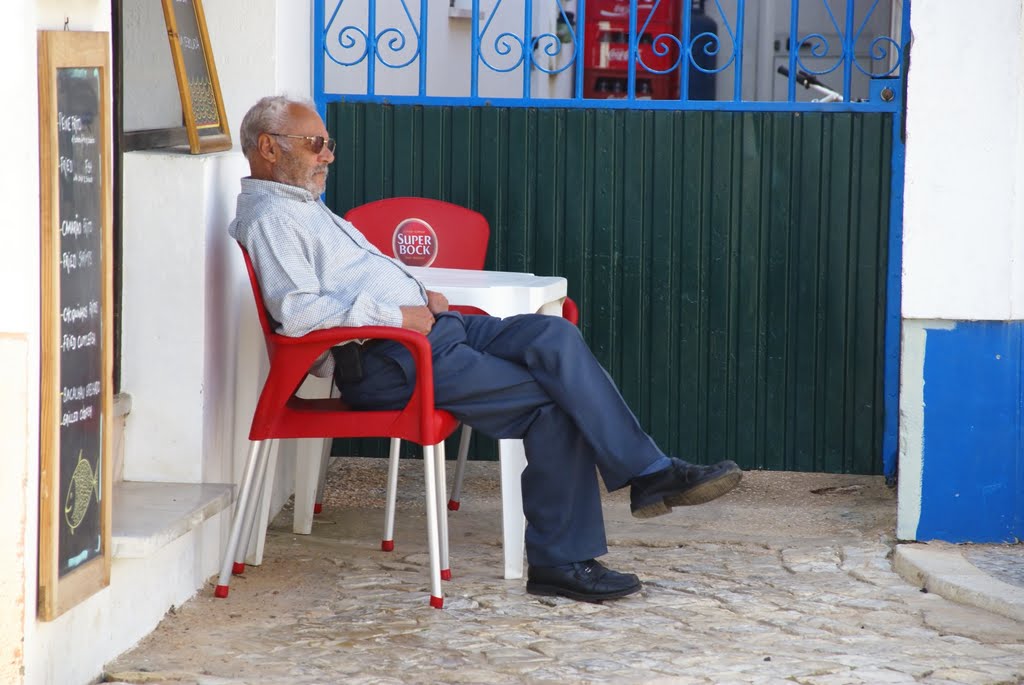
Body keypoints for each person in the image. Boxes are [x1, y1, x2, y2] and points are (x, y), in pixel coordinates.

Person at [229, 95, 742, 603]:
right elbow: (298, 313)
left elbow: (344, 284)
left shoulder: (301, 206)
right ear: (269, 148)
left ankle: (648, 474)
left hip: (432, 333)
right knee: (554, 405)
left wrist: (415, 292)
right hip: (392, 358)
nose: (328, 155)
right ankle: (566, 554)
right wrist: (398, 314)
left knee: (553, 333)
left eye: (328, 143)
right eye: (316, 143)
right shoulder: (271, 219)